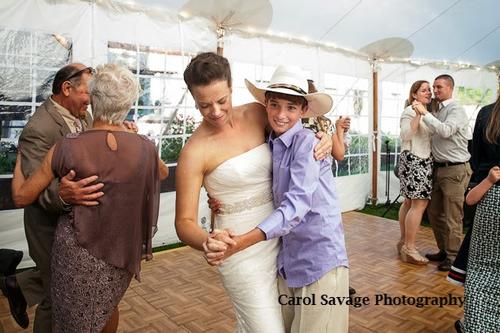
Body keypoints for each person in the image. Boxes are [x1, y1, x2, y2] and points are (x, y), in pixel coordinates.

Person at [174, 53, 332, 333]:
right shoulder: (193, 152)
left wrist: (325, 137)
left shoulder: (258, 113)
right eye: (204, 105)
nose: (216, 111)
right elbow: (183, 223)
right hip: (239, 250)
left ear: (231, 88)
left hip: (283, 239)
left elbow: (293, 138)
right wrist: (208, 241)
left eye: (222, 100)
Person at [11, 63, 168, 332]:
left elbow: (22, 197)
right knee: (108, 306)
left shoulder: (68, 145)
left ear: (94, 99)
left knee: (70, 317)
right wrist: (134, 137)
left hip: (78, 251)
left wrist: (19, 161)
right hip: (120, 247)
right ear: (128, 104)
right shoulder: (144, 146)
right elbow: (161, 172)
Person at [205, 65, 349, 333]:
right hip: (288, 260)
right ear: (265, 104)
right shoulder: (269, 141)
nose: (281, 115)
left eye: (291, 108)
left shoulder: (308, 144)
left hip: (320, 259)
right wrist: (220, 196)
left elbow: (295, 207)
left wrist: (240, 243)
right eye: (275, 105)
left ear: (304, 110)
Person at [0, 63, 106, 331]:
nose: (92, 99)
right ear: (67, 88)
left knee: (62, 282)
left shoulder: (84, 115)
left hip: (73, 222)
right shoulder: (40, 127)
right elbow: (33, 189)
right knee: (56, 295)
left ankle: (18, 286)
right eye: (88, 92)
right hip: (47, 225)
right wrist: (62, 193)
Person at [414, 74, 472, 271]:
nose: (435, 90)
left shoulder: (456, 110)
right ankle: (444, 251)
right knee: (434, 212)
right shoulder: (438, 110)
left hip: (455, 170)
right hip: (438, 169)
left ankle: (454, 258)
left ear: (450, 88)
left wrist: (424, 113)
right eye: (433, 87)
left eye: (439, 87)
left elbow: (445, 131)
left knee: (452, 216)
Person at [462, 96, 500, 332]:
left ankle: (478, 325)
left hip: (490, 195)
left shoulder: (487, 113)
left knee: (481, 269)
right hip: (488, 192)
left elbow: (476, 158)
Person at [397, 80, 433, 265]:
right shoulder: (410, 111)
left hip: (419, 159)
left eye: (430, 90)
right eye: (424, 90)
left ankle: (404, 242)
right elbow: (405, 135)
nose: (429, 92)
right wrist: (418, 115)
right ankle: (409, 248)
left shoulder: (427, 112)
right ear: (414, 95)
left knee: (410, 202)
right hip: (415, 159)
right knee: (419, 204)